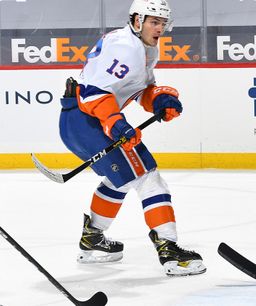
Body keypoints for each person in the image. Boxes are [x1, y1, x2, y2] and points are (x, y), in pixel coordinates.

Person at [58, 0, 205, 277]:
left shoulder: (144, 46)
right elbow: (93, 93)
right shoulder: (125, 48)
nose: (159, 28)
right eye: (153, 22)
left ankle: (93, 241)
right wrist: (115, 124)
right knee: (148, 176)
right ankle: (169, 250)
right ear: (137, 20)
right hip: (89, 120)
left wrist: (159, 99)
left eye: (162, 23)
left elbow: (138, 89)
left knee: (121, 177)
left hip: (79, 122)